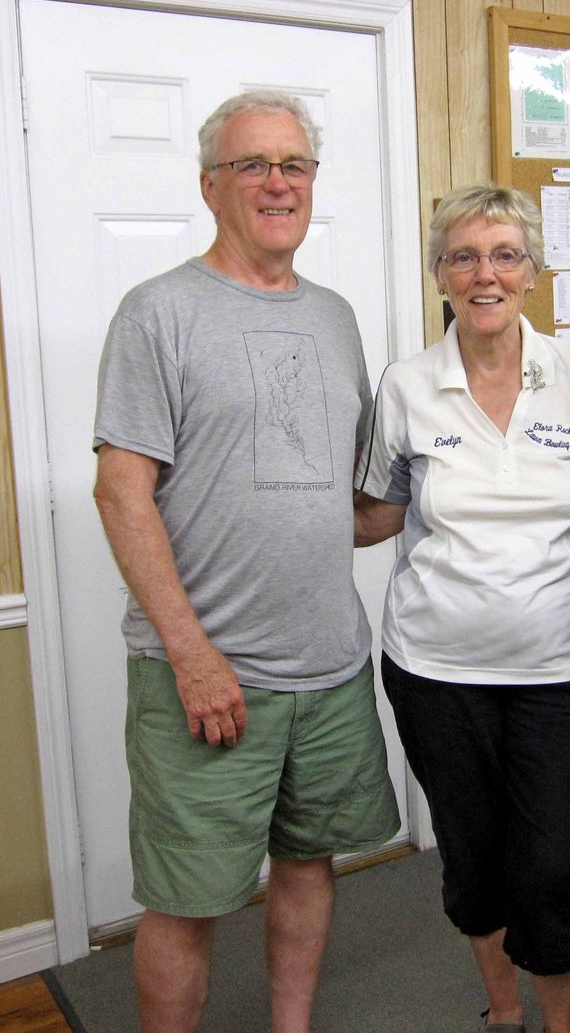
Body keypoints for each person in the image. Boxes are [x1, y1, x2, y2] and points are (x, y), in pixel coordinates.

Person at [92, 89, 399, 1033]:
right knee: (188, 899)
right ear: (209, 186)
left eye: (294, 165)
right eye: (253, 165)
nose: (277, 182)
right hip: (209, 673)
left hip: (331, 664)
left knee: (310, 864)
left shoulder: (338, 317)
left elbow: (335, 503)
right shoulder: (158, 313)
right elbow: (121, 490)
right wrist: (191, 654)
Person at [354, 184, 570, 1033]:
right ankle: (505, 1015)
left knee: (547, 863)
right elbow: (381, 509)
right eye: (463, 255)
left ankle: (561, 1023)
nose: (485, 273)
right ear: (440, 274)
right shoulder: (407, 385)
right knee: (472, 860)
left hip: (560, 669)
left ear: (532, 271)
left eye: (504, 254)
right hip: (435, 671)